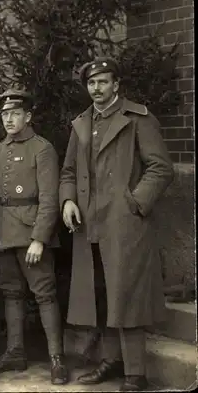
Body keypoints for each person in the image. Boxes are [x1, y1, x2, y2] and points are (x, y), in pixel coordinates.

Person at [59, 58, 174, 392]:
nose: (97, 89)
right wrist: (67, 200)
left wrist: (134, 203)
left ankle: (136, 373)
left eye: (104, 82)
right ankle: (110, 362)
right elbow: (67, 171)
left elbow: (160, 168)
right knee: (102, 293)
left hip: (125, 225)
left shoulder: (138, 118)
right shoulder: (80, 123)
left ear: (116, 85)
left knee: (128, 294)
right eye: (92, 83)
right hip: (89, 224)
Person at [0, 88, 69, 385]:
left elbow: (49, 198)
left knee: (44, 293)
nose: (9, 119)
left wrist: (39, 238)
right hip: (4, 231)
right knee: (11, 292)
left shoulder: (41, 149)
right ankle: (14, 352)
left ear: (28, 116)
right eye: (4, 114)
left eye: (15, 113)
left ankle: (57, 359)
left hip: (31, 232)